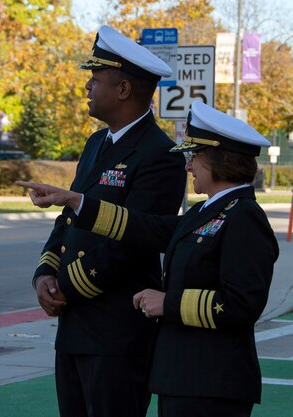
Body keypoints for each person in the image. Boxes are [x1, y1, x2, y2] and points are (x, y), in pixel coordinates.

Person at [18, 101, 279, 417]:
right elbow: (143, 226)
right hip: (181, 378)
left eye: (194, 156)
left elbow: (243, 303)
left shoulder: (244, 216)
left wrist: (167, 303)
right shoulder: (202, 212)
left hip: (214, 381)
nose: (188, 166)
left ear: (218, 161)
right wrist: (76, 201)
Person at [29, 25, 186, 417]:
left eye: (95, 79)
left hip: (117, 332)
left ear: (123, 89)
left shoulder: (159, 154)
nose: (87, 87)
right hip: (74, 327)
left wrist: (66, 286)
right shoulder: (97, 143)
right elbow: (70, 217)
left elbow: (136, 241)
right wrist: (44, 273)